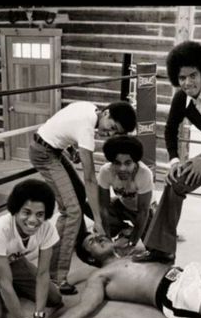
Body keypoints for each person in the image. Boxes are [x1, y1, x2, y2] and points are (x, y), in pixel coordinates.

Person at [132, 40, 201, 264]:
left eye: (193, 75)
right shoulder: (182, 97)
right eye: (181, 78)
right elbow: (170, 130)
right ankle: (162, 249)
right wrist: (175, 161)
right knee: (175, 183)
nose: (188, 83)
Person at [32, 241, 201, 318]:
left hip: (189, 272)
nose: (97, 237)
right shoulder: (100, 275)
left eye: (96, 234)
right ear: (91, 258)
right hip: (175, 294)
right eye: (91, 242)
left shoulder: (134, 253)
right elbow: (86, 305)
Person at [29, 100, 137, 294]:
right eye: (111, 127)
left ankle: (75, 243)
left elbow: (61, 122)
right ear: (106, 113)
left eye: (115, 132)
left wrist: (70, 149)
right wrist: (97, 221)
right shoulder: (87, 128)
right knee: (72, 211)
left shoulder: (90, 108)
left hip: (53, 149)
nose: (109, 134)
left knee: (77, 197)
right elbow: (89, 178)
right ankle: (56, 276)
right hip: (44, 154)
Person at [0, 179, 63, 318]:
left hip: (12, 262)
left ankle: (13, 290)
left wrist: (39, 317)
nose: (33, 220)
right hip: (1, 267)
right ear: (15, 210)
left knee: (54, 298)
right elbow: (4, 281)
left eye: (40, 214)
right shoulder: (0, 229)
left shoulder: (48, 228)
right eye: (26, 212)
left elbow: (43, 273)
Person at [98, 135, 154, 256]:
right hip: (122, 205)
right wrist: (107, 238)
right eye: (117, 163)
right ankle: (125, 229)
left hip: (145, 210)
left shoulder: (144, 173)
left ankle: (133, 233)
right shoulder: (105, 171)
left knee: (154, 250)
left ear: (135, 162)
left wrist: (132, 243)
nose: (122, 168)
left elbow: (143, 212)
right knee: (89, 205)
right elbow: (103, 207)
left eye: (128, 163)